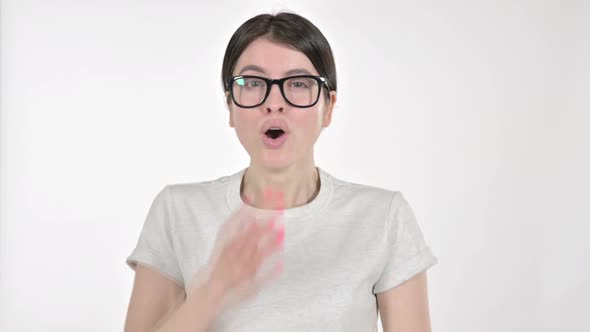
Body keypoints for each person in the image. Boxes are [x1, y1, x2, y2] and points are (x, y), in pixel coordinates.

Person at [124, 11, 438, 332]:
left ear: (328, 107)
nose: (274, 102)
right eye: (253, 83)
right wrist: (214, 289)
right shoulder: (178, 211)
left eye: (299, 83)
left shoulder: (383, 217)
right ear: (230, 106)